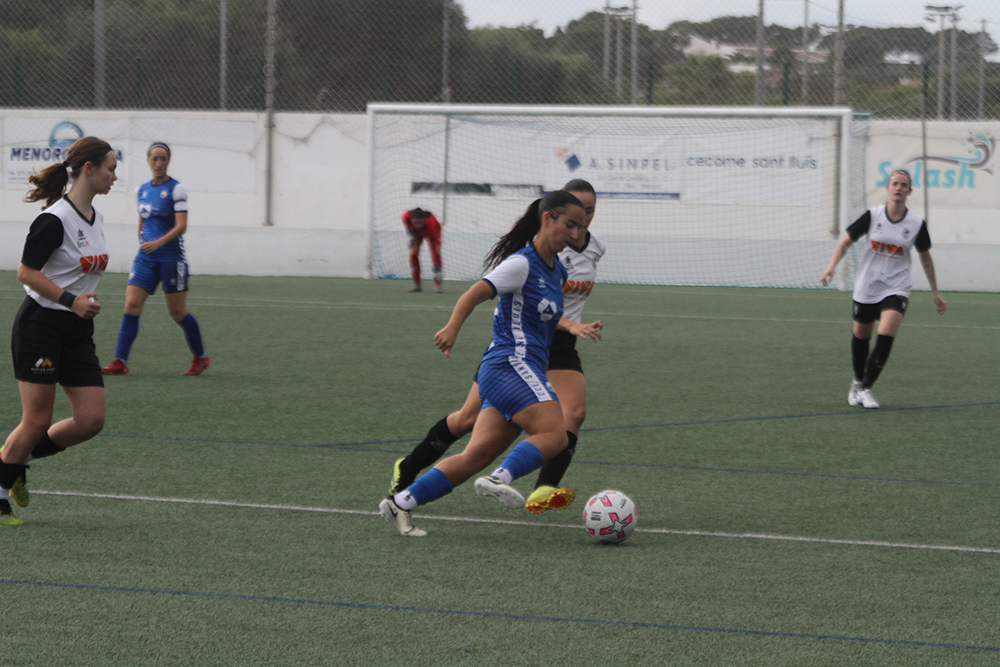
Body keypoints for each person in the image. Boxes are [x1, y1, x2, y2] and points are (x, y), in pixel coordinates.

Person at [388, 180, 606, 517]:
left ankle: (401, 502)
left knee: (477, 453)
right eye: (571, 224)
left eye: (583, 223)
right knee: (555, 433)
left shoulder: (558, 269)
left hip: (524, 363)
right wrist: (452, 328)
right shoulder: (522, 263)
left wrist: (572, 325)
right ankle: (498, 478)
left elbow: (544, 313)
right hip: (510, 362)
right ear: (548, 219)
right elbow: (475, 293)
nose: (577, 233)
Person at [1, 137, 116, 527]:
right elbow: (26, 272)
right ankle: (0, 495)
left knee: (91, 420)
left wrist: (83, 302)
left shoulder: (96, 218)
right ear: (88, 169)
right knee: (36, 420)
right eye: (110, 169)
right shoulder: (54, 219)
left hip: (77, 329)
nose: (114, 176)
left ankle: (16, 462)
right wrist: (72, 300)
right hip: (41, 326)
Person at [821, 168, 946, 409]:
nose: (899, 188)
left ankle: (867, 388)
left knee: (886, 333)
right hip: (868, 286)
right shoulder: (873, 215)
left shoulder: (917, 223)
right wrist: (831, 267)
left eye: (904, 185)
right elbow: (845, 243)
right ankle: (857, 381)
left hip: (896, 286)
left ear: (909, 191)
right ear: (888, 188)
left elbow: (925, 258)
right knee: (861, 337)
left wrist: (935, 292)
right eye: (895, 184)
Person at [102, 142, 209, 377]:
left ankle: (200, 358)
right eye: (154, 159)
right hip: (146, 258)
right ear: (148, 161)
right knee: (131, 306)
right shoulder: (142, 190)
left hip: (171, 258)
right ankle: (120, 361)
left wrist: (158, 243)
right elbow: (143, 220)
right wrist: (142, 239)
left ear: (168, 161)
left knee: (178, 313)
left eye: (163, 159)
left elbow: (182, 226)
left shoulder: (176, 189)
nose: (159, 163)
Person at [402, 207, 443, 293]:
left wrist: (437, 268)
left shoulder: (431, 224)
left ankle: (438, 285)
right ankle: (417, 285)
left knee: (435, 254)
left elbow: (435, 251)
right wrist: (410, 235)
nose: (417, 224)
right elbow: (408, 226)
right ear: (412, 219)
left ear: (424, 220)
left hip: (432, 231)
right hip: (417, 233)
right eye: (415, 222)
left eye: (420, 222)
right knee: (413, 254)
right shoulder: (406, 217)